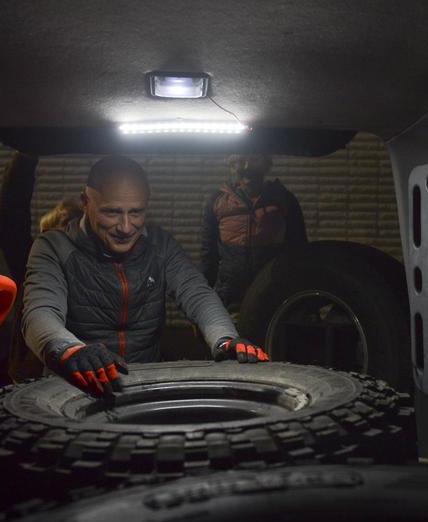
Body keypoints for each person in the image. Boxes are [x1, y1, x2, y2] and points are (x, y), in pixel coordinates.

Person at [22, 155, 267, 398]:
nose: (126, 227)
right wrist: (68, 350)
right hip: (74, 386)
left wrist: (224, 339)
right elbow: (39, 311)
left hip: (144, 383)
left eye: (136, 212)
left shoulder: (160, 245)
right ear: (85, 202)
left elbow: (197, 293)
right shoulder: (53, 247)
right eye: (112, 212)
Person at [0, 152, 83, 382]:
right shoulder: (34, 264)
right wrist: (26, 153)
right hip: (31, 383)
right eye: (64, 224)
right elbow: (10, 221)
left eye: (77, 224)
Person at [200, 154, 307, 309]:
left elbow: (299, 249)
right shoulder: (217, 201)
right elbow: (208, 253)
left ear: (266, 164)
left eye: (255, 159)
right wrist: (204, 296)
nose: (247, 167)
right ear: (231, 165)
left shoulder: (284, 199)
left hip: (272, 294)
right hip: (229, 296)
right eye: (241, 160)